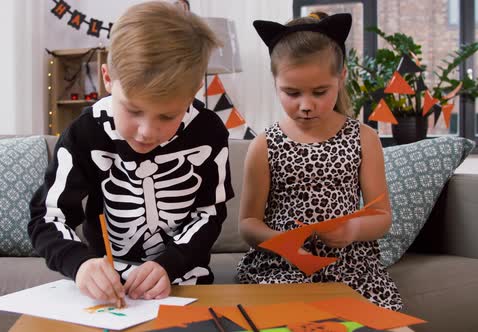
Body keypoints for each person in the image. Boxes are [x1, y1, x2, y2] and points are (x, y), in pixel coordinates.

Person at [29, 1, 233, 304]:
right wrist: (80, 264)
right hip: (107, 293)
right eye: (133, 110)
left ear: (192, 95)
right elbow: (46, 217)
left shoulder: (209, 132)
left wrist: (171, 264)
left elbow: (210, 214)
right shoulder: (85, 133)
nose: (146, 131)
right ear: (108, 78)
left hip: (187, 284)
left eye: (167, 116)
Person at [236, 12, 402, 311]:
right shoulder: (264, 144)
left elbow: (381, 216)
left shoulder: (364, 138)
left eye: (320, 92)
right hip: (281, 268)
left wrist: (351, 230)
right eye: (291, 92)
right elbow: (248, 224)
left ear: (342, 78)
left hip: (352, 270)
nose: (306, 105)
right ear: (275, 81)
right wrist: (281, 242)